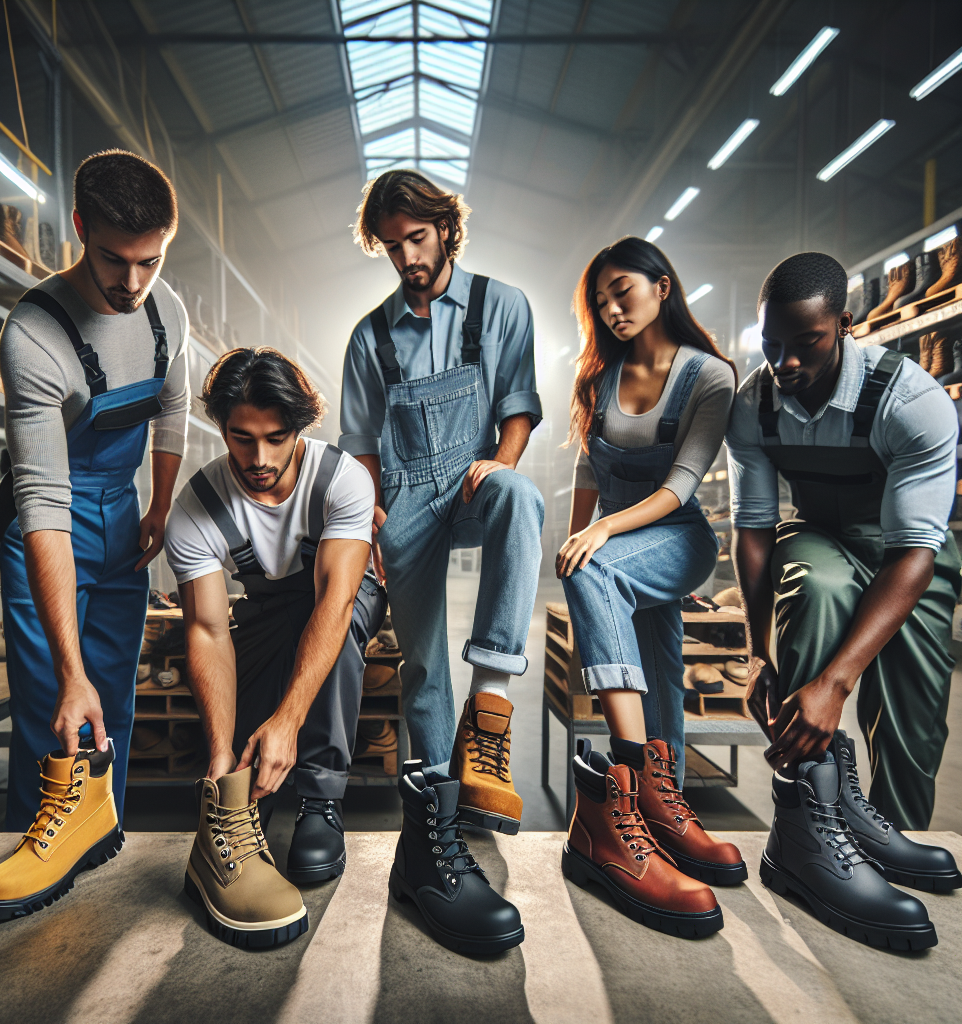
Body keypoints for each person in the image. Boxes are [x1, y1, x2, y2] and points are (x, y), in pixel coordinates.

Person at [727, 251, 958, 948]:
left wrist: (838, 679)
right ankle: (807, 834)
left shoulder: (909, 401)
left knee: (913, 729)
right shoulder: (753, 406)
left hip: (903, 553)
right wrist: (756, 652)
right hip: (816, 535)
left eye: (807, 344)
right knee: (817, 584)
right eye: (772, 344)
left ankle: (887, 844)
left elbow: (914, 551)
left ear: (845, 326)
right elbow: (757, 534)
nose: (786, 362)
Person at [339, 169, 544, 834]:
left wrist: (500, 463)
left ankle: (488, 718)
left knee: (520, 494)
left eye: (418, 239)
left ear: (448, 229)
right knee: (421, 661)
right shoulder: (370, 338)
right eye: (393, 247)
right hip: (404, 500)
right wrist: (371, 520)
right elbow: (361, 442)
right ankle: (439, 806)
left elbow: (519, 407)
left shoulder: (503, 305)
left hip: (474, 479)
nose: (408, 259)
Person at [556, 236, 745, 935]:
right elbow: (586, 475)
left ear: (662, 286)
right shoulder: (597, 380)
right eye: (599, 301)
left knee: (598, 563)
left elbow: (680, 487)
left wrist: (599, 539)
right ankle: (666, 807)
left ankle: (626, 791)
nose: (610, 309)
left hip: (678, 536)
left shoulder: (709, 377)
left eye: (622, 292)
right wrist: (576, 543)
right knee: (658, 665)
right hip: (618, 548)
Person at [164, 348, 385, 942]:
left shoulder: (343, 480)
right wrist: (218, 753)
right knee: (239, 739)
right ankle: (234, 808)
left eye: (275, 437)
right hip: (266, 606)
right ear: (220, 426)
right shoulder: (195, 508)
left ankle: (320, 798)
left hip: (342, 590)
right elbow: (207, 631)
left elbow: (335, 600)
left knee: (331, 624)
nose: (258, 458)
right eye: (240, 439)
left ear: (299, 427)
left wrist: (287, 721)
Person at [0, 149, 189, 832]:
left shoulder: (165, 309)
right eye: (114, 260)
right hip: (48, 522)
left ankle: (102, 837)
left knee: (114, 695)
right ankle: (40, 847)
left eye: (150, 261)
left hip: (124, 513)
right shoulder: (34, 335)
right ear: (79, 226)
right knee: (58, 699)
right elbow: (44, 503)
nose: (133, 283)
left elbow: (172, 406)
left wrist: (160, 503)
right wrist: (68, 673)